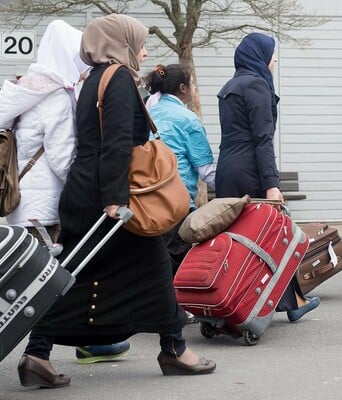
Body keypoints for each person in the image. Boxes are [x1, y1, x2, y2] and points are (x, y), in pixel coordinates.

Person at [15, 14, 216, 390]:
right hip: (108, 195)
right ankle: (174, 349)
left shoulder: (92, 78)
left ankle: (36, 354)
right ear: (119, 43)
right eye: (138, 41)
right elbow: (119, 141)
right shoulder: (119, 77)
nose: (143, 49)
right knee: (152, 266)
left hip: (84, 190)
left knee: (76, 274)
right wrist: (114, 199)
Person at [0, 19, 131, 367]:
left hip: (19, 200)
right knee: (47, 285)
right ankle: (39, 354)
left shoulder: (22, 88)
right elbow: (61, 159)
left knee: (31, 282)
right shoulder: (55, 96)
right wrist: (90, 179)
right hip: (45, 206)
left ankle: (64, 348)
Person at [216, 32, 319, 322]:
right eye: (272, 54)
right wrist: (272, 184)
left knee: (237, 239)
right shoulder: (257, 86)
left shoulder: (230, 86)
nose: (274, 60)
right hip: (251, 168)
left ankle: (231, 301)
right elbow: (262, 140)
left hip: (228, 169)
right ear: (260, 56)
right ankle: (293, 302)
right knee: (275, 235)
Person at [144, 63, 217, 274]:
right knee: (176, 266)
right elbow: (206, 170)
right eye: (193, 83)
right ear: (183, 88)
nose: (195, 88)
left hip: (146, 200)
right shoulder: (189, 120)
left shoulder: (148, 113)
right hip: (176, 201)